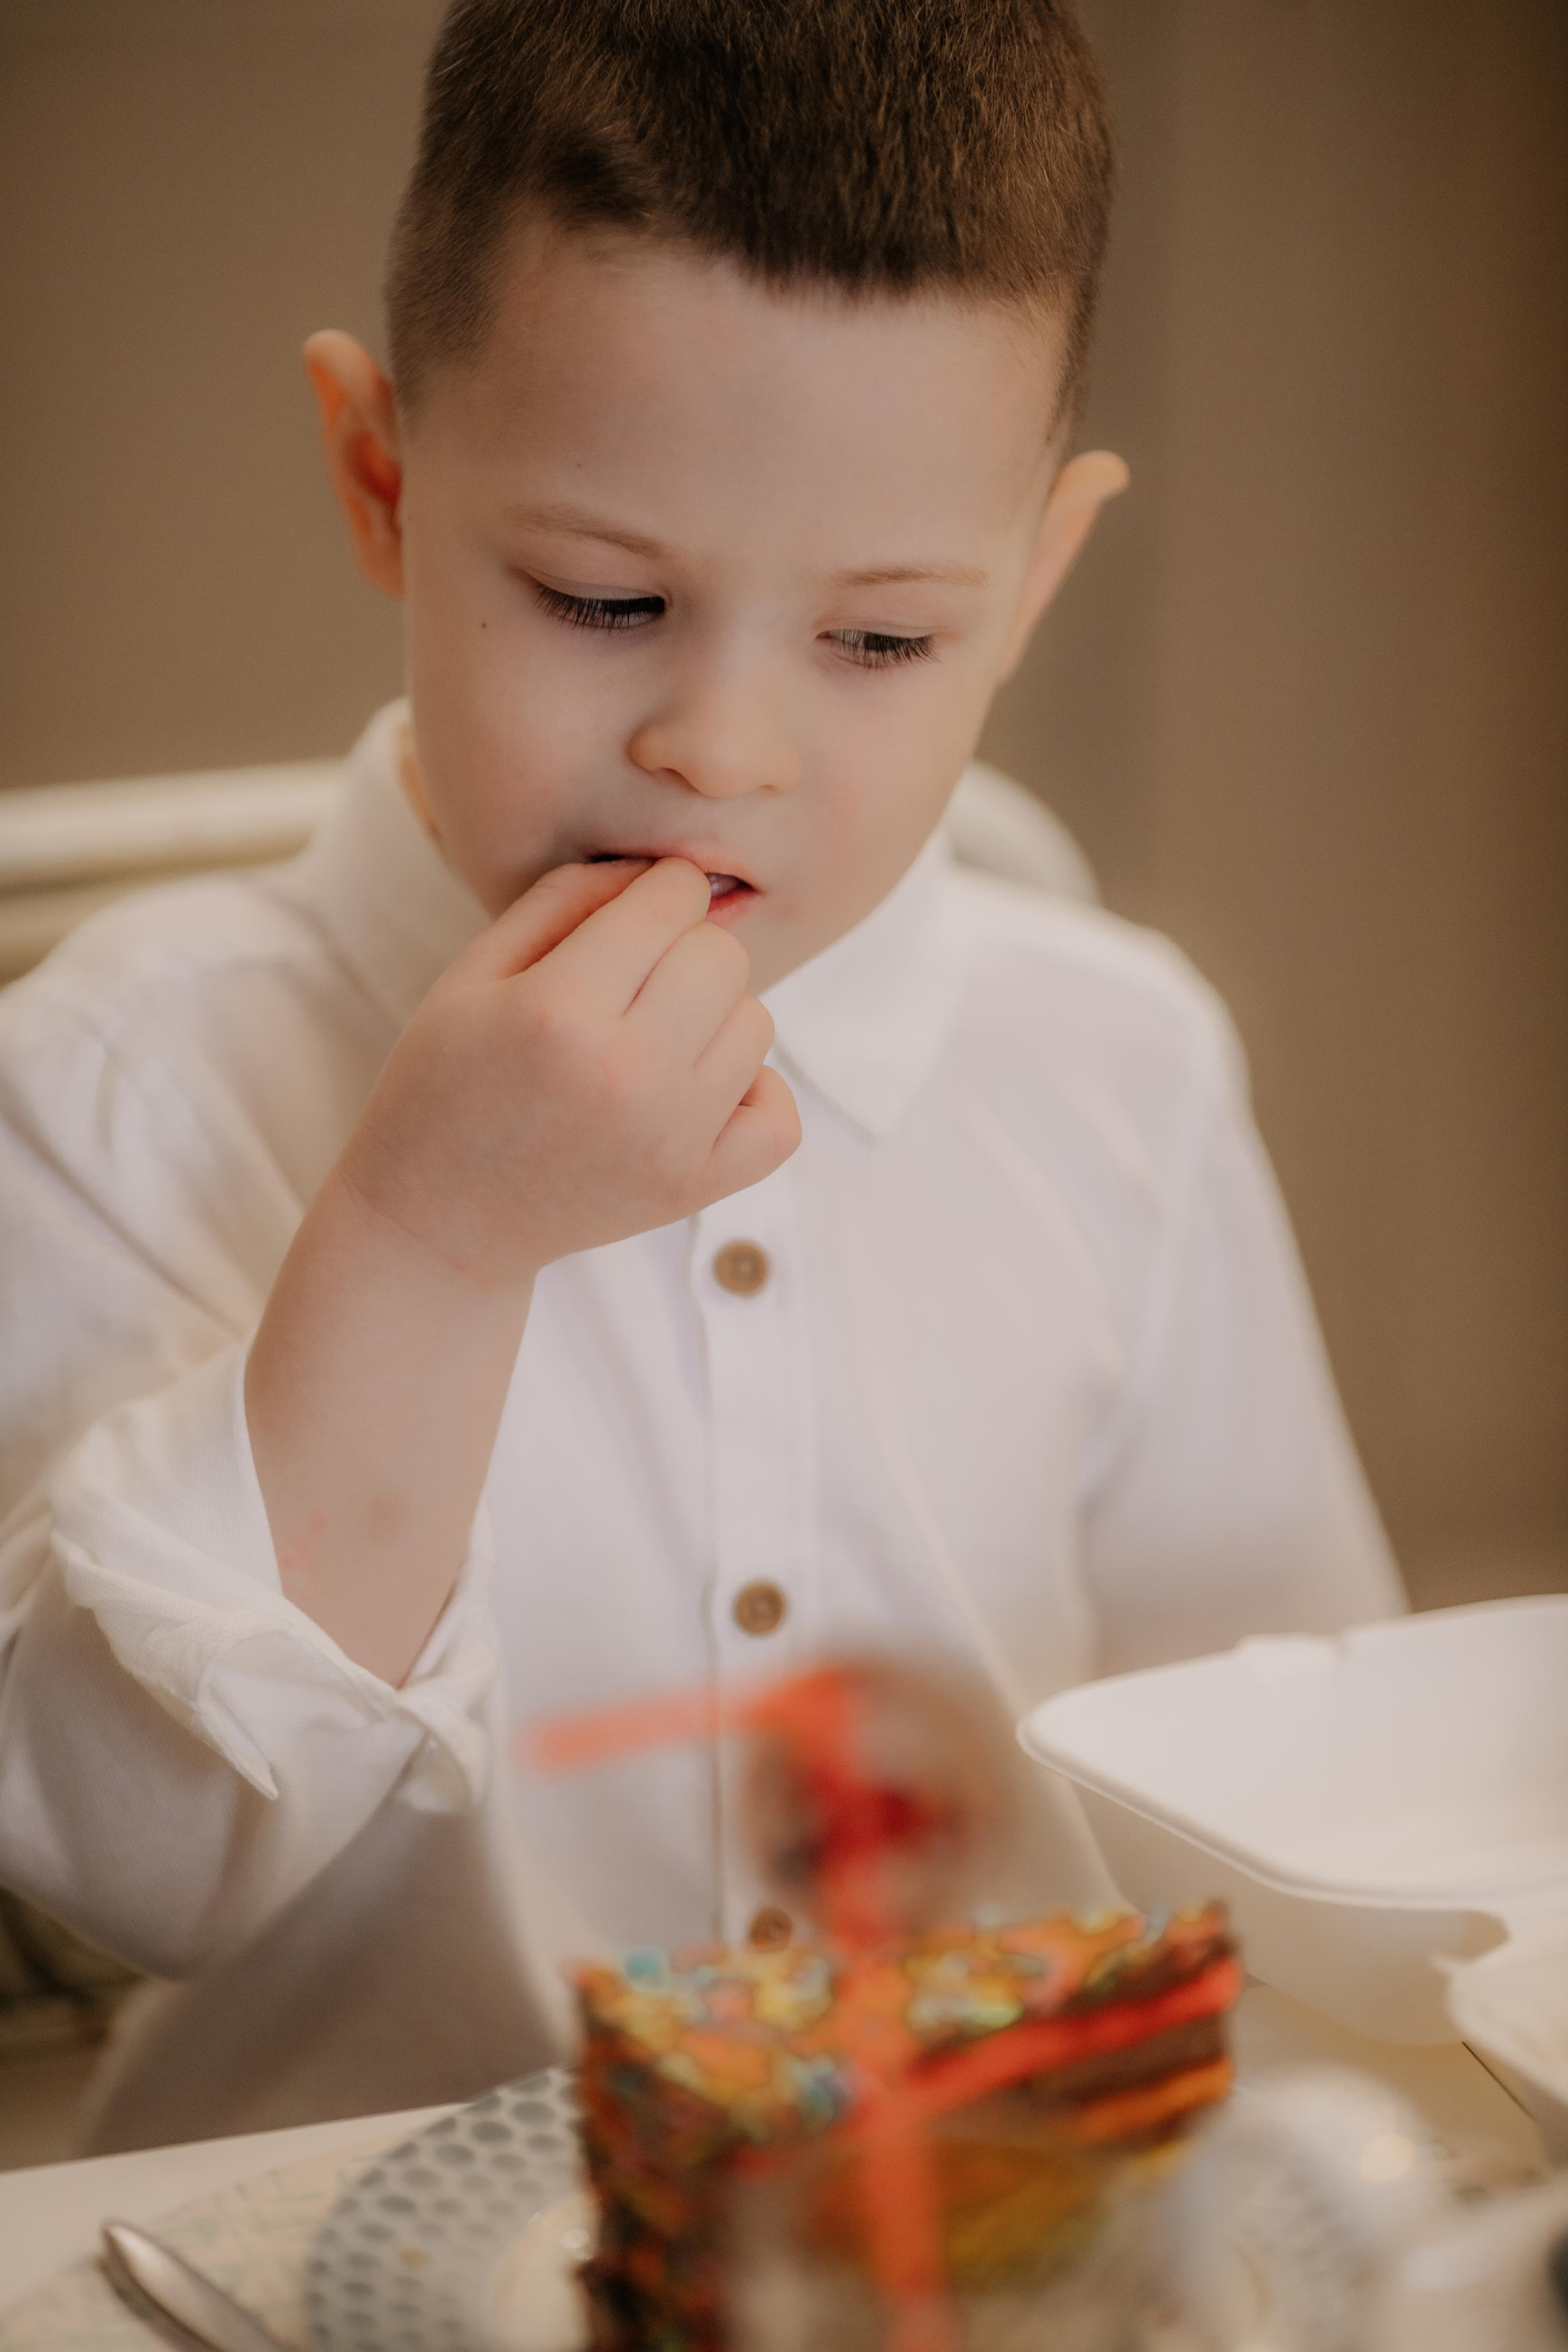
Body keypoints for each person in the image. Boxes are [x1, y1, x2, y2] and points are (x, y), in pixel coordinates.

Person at [0, 0, 1400, 2151]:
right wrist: (428, 1241)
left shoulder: (1119, 1068)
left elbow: (1296, 1795)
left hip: (986, 2241)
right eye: (602, 597)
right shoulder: (125, 1078)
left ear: (1034, 582)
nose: (724, 752)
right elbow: (136, 1862)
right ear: (382, 480)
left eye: (882, 640)